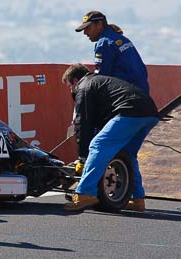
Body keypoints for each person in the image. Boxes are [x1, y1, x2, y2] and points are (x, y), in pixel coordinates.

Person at [61, 64, 159, 212]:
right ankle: (137, 199)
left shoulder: (83, 86)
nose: (70, 91)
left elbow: (83, 124)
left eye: (69, 86)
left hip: (129, 111)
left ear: (75, 80)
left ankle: (85, 193)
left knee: (98, 145)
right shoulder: (99, 82)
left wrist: (82, 159)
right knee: (127, 154)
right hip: (149, 112)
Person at [75, 11, 150, 94]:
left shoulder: (103, 43)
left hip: (125, 96)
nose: (85, 33)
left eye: (87, 28)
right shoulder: (121, 38)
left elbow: (101, 78)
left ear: (99, 24)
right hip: (143, 93)